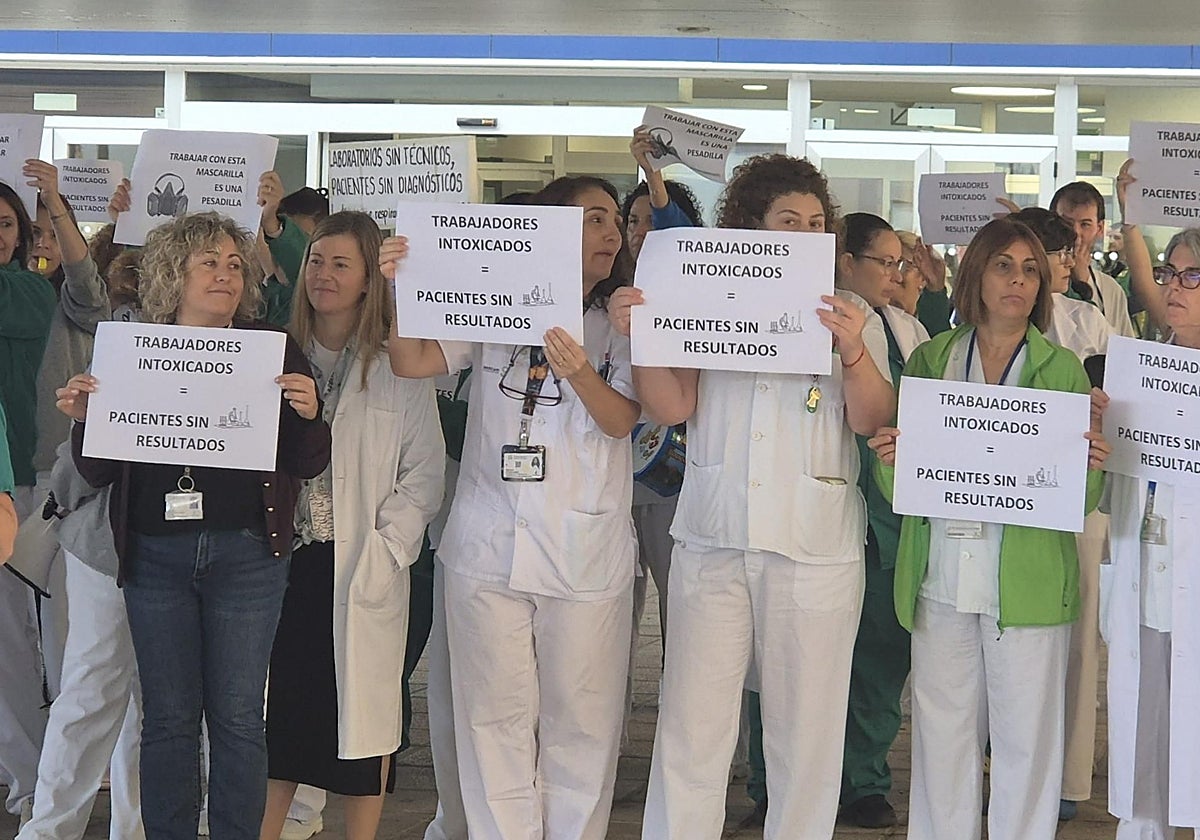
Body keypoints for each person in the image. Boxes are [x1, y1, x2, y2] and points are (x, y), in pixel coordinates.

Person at [617, 154, 896, 840]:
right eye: (788, 221)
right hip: (715, 538)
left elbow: (874, 418)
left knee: (807, 734)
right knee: (692, 726)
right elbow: (672, 403)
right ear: (750, 226)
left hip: (814, 550)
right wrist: (644, 336)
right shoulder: (704, 300)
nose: (804, 233)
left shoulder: (852, 311)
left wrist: (854, 355)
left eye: (815, 223)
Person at [57, 211, 332, 840]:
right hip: (154, 553)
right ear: (170, 274)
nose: (226, 275)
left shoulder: (272, 348)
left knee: (237, 717)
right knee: (169, 718)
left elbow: (306, 460)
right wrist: (83, 418)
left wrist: (311, 415)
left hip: (249, 556)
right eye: (208, 261)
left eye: (235, 264)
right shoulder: (131, 349)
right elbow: (97, 470)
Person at [386, 175, 640, 840]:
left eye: (615, 221)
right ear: (550, 230)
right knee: (491, 721)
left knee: (580, 724)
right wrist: (398, 285)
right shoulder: (494, 308)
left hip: (584, 551)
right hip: (487, 546)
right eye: (593, 219)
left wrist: (581, 368)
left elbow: (622, 422)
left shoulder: (624, 321)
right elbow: (411, 359)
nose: (611, 233)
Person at [868, 217, 1111, 840]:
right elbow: (905, 488)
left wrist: (1089, 464)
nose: (1019, 280)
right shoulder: (931, 358)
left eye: (1031, 270)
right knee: (942, 732)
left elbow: (1077, 498)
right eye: (1005, 265)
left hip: (1025, 580)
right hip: (942, 571)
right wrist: (891, 457)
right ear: (976, 274)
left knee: (1025, 741)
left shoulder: (1061, 370)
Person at [260, 211, 445, 840]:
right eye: (315, 260)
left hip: (363, 564)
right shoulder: (274, 355)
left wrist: (387, 550)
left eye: (341, 264)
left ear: (371, 279)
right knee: (281, 719)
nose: (323, 275)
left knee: (364, 727)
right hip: (284, 564)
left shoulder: (400, 365)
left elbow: (422, 476)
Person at [1008, 206, 1111, 821]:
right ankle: (1007, 760)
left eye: (1044, 258)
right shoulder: (977, 326)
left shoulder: (1088, 321)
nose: (1030, 274)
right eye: (1014, 261)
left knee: (1077, 635)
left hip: (1074, 494)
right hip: (1001, 492)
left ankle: (1070, 781)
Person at [1103, 226, 1200, 840]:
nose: (1174, 287)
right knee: (1147, 743)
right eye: (1169, 272)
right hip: (1147, 573)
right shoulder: (1142, 367)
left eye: (1192, 276)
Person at [0, 178, 56, 823]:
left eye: (8, 223)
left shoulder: (29, 292)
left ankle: (31, 781)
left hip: (9, 477)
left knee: (11, 643)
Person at [1051, 180, 1137, 338]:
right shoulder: (1036, 284)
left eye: (1085, 224)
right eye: (1066, 223)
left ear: (1099, 229)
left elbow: (1120, 348)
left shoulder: (1111, 290)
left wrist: (1082, 282)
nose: (1075, 233)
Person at [894, 230, 952, 337]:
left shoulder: (933, 327)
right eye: (887, 264)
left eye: (902, 264)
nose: (894, 274)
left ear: (924, 278)